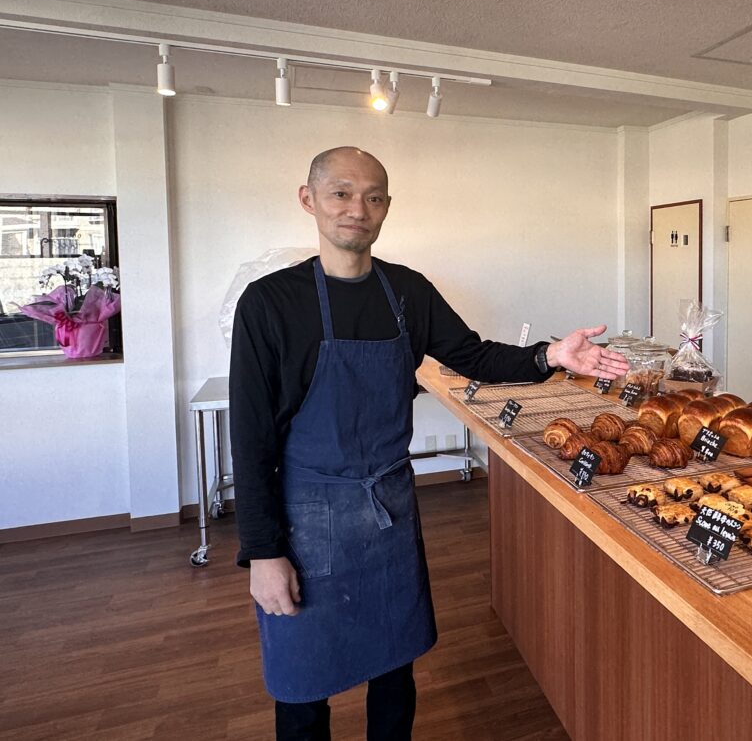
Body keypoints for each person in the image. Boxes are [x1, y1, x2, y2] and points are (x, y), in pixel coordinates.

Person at [230, 146, 629, 740]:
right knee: (304, 686)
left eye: (373, 197)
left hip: (389, 512)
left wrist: (550, 356)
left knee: (395, 671)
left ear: (387, 207)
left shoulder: (407, 292)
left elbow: (473, 356)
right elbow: (250, 439)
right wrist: (263, 553)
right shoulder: (269, 303)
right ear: (308, 200)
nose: (357, 209)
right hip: (307, 521)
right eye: (341, 193)